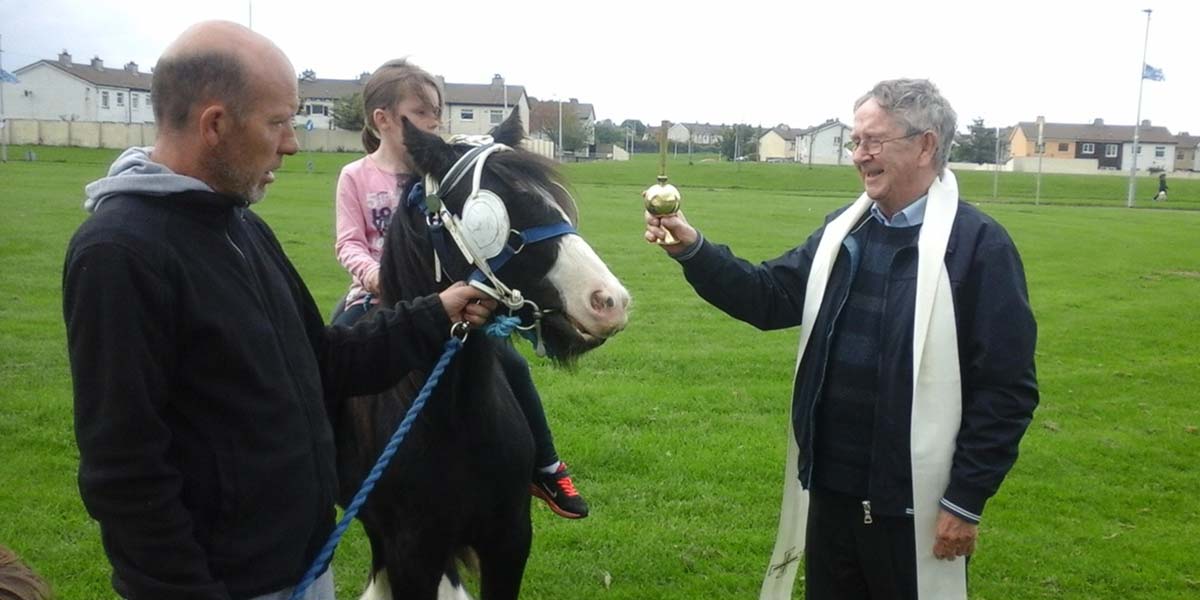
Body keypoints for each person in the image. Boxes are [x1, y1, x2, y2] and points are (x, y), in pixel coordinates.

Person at [62, 21, 496, 600]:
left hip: (305, 565)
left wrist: (435, 312)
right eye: (278, 122)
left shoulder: (241, 225)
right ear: (215, 124)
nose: (291, 142)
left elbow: (319, 361)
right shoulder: (120, 252)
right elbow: (125, 468)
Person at [645, 79, 1038, 600]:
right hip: (830, 492)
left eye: (874, 141)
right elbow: (769, 296)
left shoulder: (977, 247)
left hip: (913, 504)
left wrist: (964, 501)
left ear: (925, 145)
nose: (860, 156)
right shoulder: (843, 234)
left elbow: (1006, 389)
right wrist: (693, 249)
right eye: (856, 142)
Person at [331, 59, 590, 519]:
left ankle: (546, 466)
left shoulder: (444, 174)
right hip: (376, 297)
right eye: (424, 112)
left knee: (509, 363)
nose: (436, 122)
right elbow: (349, 242)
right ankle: (328, 458)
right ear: (383, 118)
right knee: (336, 357)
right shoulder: (357, 176)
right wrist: (375, 276)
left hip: (450, 300)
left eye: (438, 111)